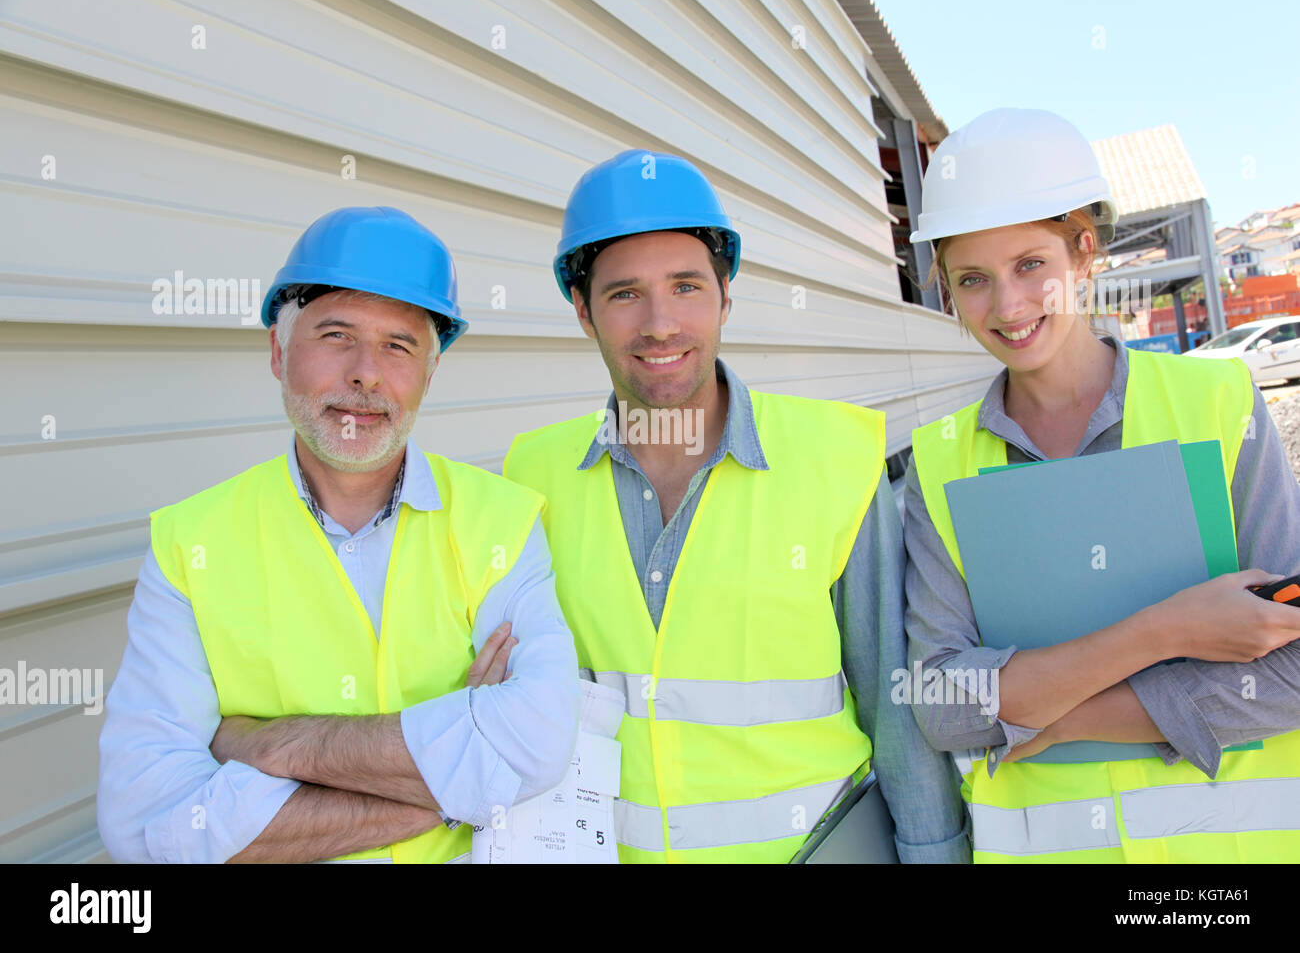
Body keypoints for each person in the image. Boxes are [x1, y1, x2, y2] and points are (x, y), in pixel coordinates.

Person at [503, 150, 970, 863]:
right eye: (625, 293)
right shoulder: (531, 476)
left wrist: (934, 854)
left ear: (726, 296)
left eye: (686, 286)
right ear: (582, 311)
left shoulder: (834, 456)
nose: (661, 324)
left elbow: (895, 706)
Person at [97, 206, 580, 863]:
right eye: (335, 335)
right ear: (277, 351)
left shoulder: (502, 520)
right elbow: (146, 826)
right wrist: (455, 775)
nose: (366, 374)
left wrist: (277, 747)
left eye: (399, 346)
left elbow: (538, 744)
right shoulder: (190, 545)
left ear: (430, 375)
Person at [903, 108, 1300, 863]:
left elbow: (1295, 670)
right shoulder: (937, 464)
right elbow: (943, 708)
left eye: (1030, 266)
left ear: (1084, 253)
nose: (1008, 307)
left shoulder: (1216, 406)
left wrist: (1060, 714)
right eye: (973, 281)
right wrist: (1170, 632)